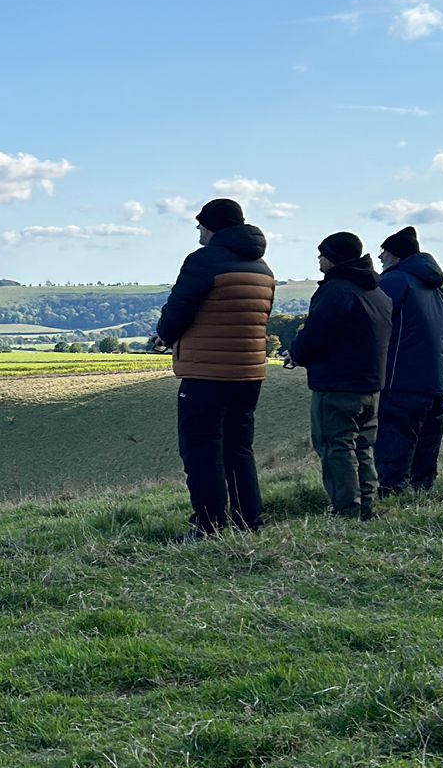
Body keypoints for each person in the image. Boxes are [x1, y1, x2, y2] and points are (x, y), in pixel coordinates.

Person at [154, 198, 276, 539]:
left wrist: (163, 335)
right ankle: (248, 522)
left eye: (200, 225)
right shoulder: (262, 268)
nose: (198, 231)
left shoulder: (203, 261)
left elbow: (179, 308)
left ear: (212, 226)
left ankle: (207, 525)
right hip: (248, 371)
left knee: (201, 447)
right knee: (238, 447)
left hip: (207, 372)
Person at [286, 232, 393, 520]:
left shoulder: (335, 291)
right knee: (362, 447)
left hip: (337, 385)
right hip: (370, 385)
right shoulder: (377, 293)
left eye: (322, 254)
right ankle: (367, 506)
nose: (319, 259)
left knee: (336, 446)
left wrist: (296, 353)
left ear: (333, 258)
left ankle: (346, 510)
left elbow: (316, 335)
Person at [374, 226, 443, 494]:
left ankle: (392, 491)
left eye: (383, 251)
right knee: (427, 444)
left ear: (395, 255)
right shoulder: (441, 292)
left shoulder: (395, 282)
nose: (380, 257)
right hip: (436, 380)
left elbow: (372, 322)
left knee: (396, 440)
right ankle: (422, 491)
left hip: (400, 378)